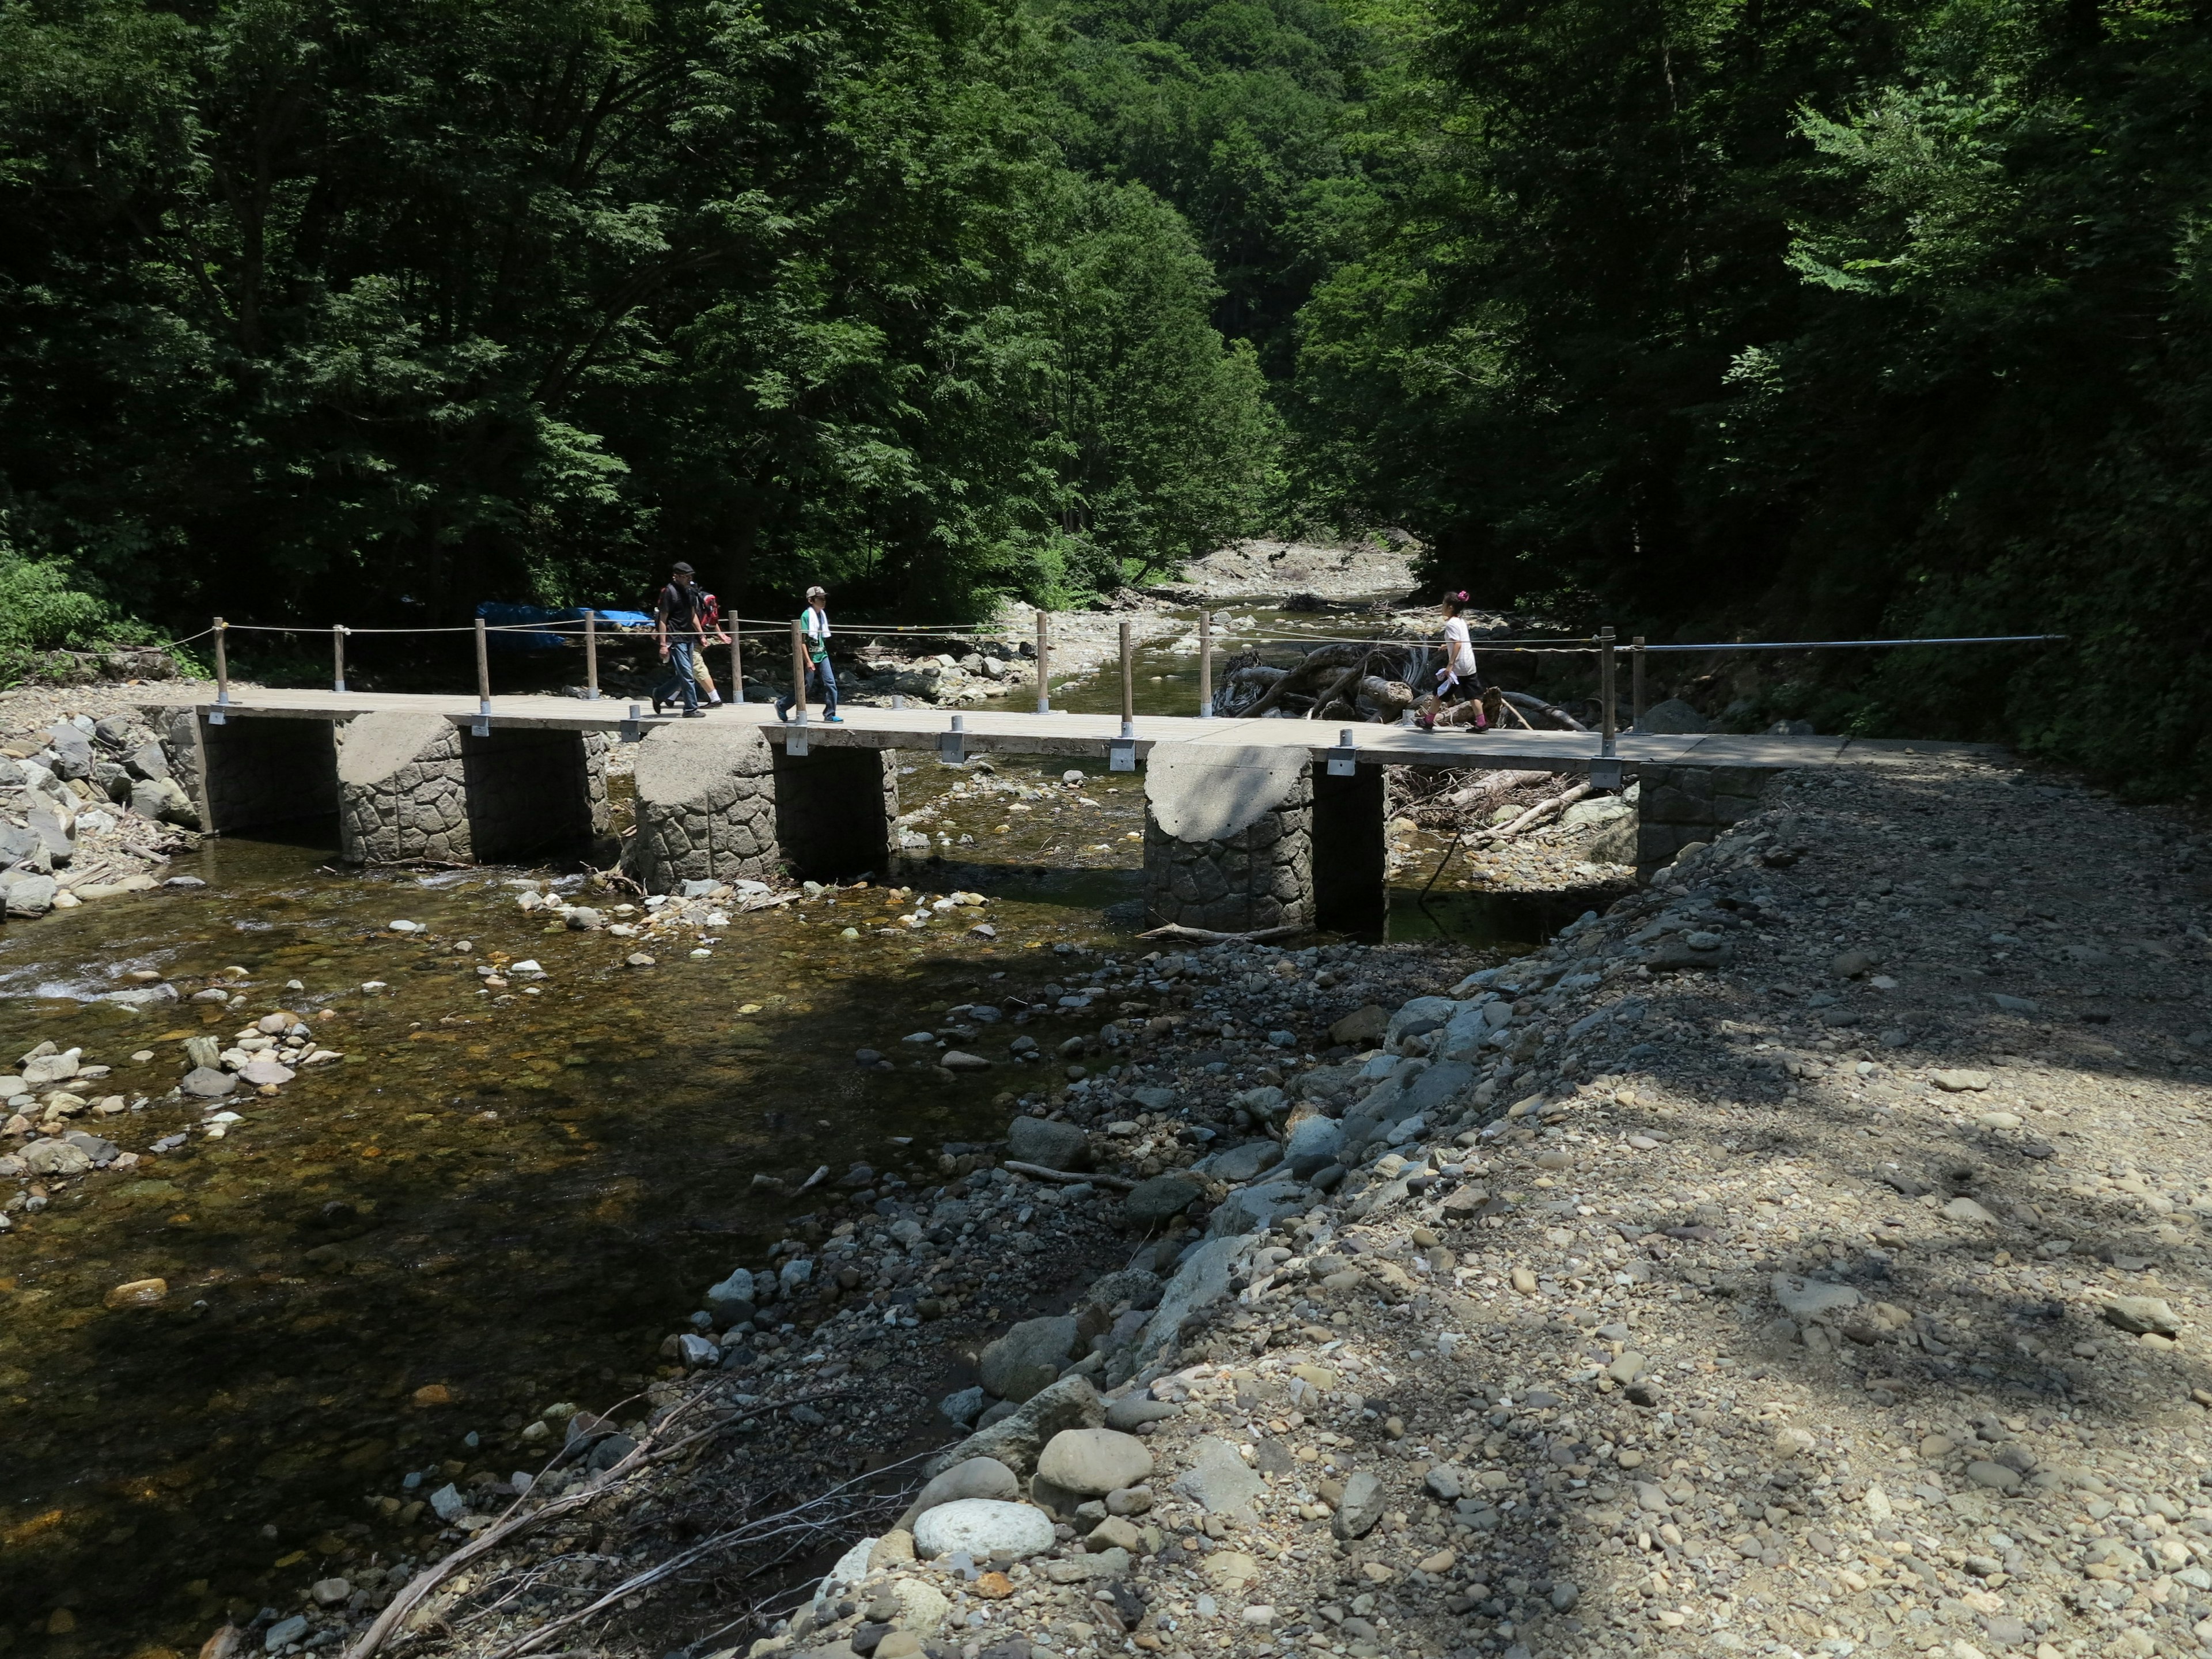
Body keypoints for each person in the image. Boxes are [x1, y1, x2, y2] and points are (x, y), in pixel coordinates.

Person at [1420, 590, 1487, 732]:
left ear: (1450, 607)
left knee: (1439, 692)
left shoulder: (1451, 624)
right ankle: (1481, 724)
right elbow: (1459, 640)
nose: (1442, 607)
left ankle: (1428, 721)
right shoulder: (1461, 621)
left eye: (1444, 604)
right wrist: (1447, 645)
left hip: (1457, 667)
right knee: (1473, 695)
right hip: (1469, 664)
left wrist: (1450, 665)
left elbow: (1458, 643)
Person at [651, 561, 711, 718]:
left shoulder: (690, 592)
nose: (689, 579)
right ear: (676, 576)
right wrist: (663, 644)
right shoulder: (669, 592)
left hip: (689, 637)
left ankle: (659, 694)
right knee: (687, 674)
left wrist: (701, 635)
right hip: (675, 638)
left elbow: (692, 615)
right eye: (686, 577)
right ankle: (690, 709)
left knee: (687, 673)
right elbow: (663, 619)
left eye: (690, 576)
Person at [775, 585, 840, 724]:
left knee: (831, 683)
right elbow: (801, 642)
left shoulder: (822, 615)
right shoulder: (806, 616)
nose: (823, 601)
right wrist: (808, 661)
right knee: (806, 686)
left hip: (822, 654)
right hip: (809, 656)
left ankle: (830, 714)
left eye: (824, 598)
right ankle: (782, 705)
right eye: (820, 599)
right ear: (811, 601)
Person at [690, 587, 732, 708]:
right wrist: (719, 634)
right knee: (687, 669)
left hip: (692, 639)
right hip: (699, 638)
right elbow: (713, 619)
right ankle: (668, 697)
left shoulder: (689, 599)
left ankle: (715, 699)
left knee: (697, 668)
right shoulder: (703, 599)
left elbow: (694, 619)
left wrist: (701, 635)